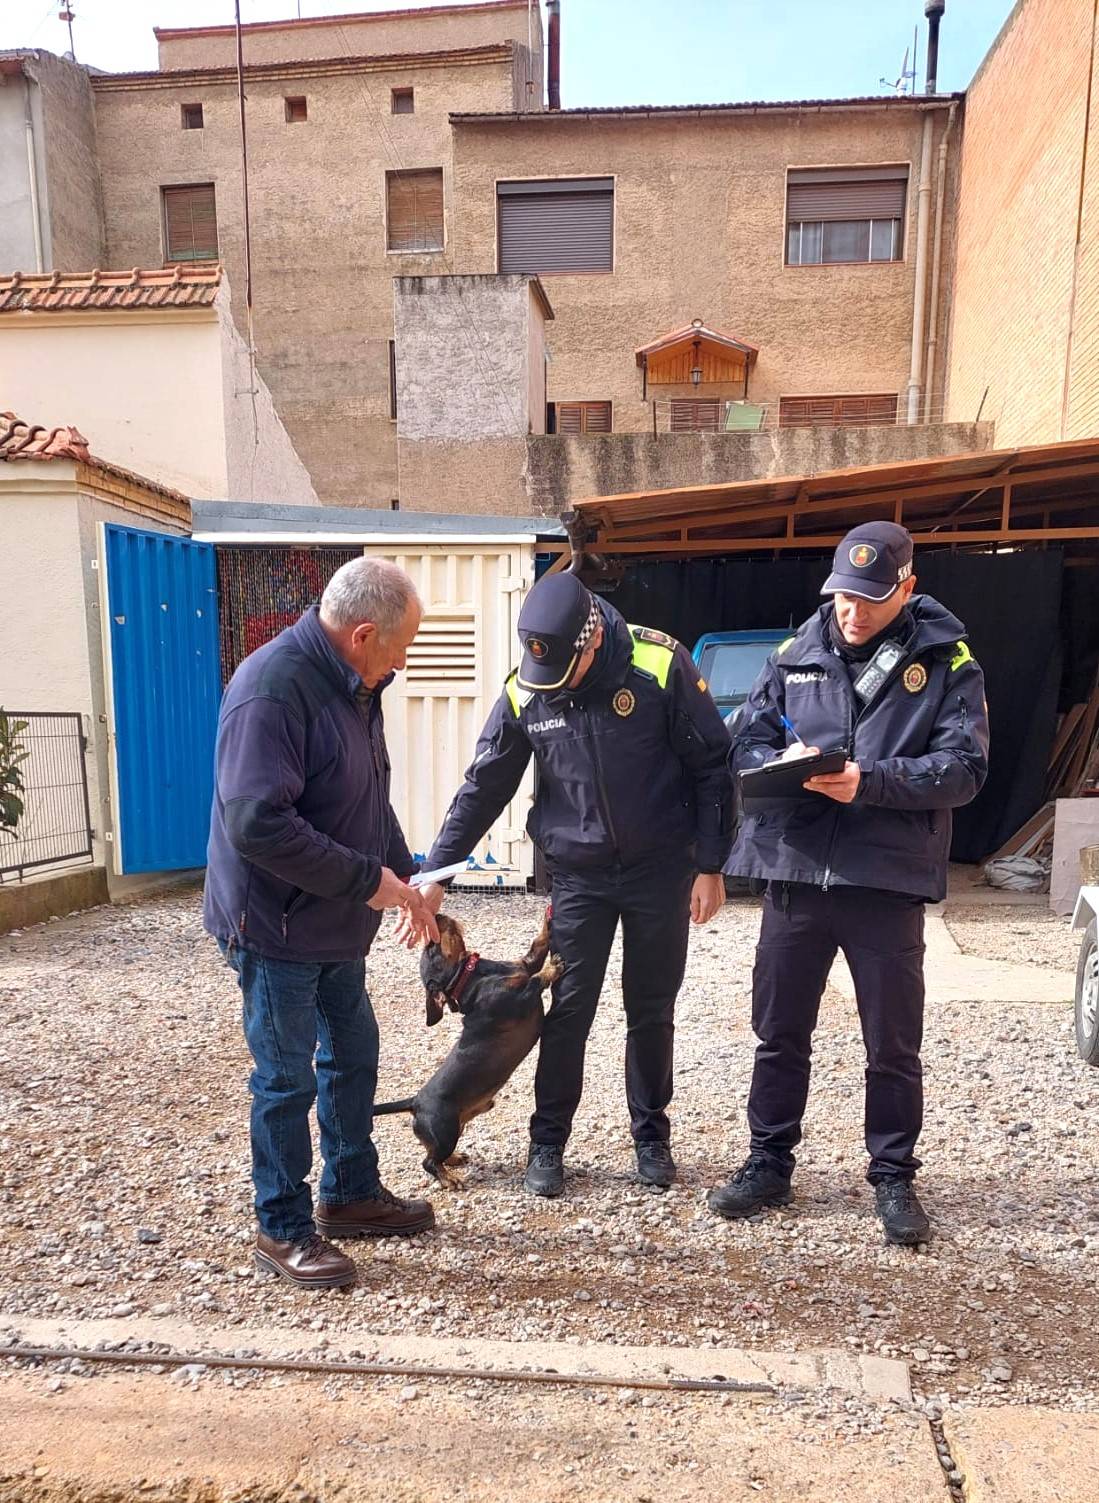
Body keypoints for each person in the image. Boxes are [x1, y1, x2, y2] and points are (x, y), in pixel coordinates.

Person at [707, 521, 989, 1246]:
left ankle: (892, 1175)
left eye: (868, 599)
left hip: (884, 880)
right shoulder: (796, 651)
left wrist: (869, 781)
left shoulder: (948, 661)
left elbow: (963, 769)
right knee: (777, 1032)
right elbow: (746, 736)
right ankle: (768, 1162)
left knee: (891, 1042)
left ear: (906, 588)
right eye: (841, 598)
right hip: (796, 873)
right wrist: (786, 759)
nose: (852, 613)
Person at [410, 572, 734, 1198]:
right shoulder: (528, 687)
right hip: (579, 876)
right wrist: (436, 877)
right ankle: (547, 1144)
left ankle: (651, 1139)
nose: (554, 685)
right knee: (567, 1011)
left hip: (660, 870)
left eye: (568, 671)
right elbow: (484, 786)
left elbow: (712, 768)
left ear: (589, 643)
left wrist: (711, 865)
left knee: (650, 1009)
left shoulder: (659, 665)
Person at [204, 558, 440, 1289]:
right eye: (399, 648)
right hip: (275, 925)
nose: (402, 662)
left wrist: (407, 879)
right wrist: (366, 880)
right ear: (362, 632)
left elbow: (365, 797)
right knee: (284, 1079)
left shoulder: (353, 682)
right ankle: (281, 1228)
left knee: (353, 1052)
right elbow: (256, 822)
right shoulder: (272, 689)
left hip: (333, 919)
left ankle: (350, 1193)